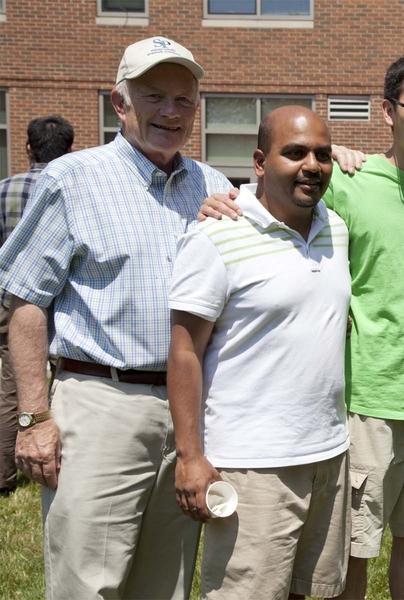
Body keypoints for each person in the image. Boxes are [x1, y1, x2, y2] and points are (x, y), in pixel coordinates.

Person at [200, 51, 404, 600]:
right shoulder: (348, 180)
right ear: (388, 111)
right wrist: (222, 199)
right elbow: (278, 193)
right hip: (371, 399)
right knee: (354, 549)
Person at [0, 37, 232, 598]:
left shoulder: (215, 188)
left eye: (184, 99)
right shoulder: (72, 180)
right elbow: (26, 301)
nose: (171, 112)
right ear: (119, 103)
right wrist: (34, 417)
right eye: (154, 96)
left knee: (166, 583)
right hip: (101, 404)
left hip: (188, 415)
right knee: (88, 582)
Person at [168, 105, 351, 599]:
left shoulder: (336, 228)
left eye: (323, 154)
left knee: (312, 591)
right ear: (259, 161)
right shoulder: (216, 235)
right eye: (294, 152)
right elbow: (184, 351)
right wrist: (189, 456)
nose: (311, 164)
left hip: (329, 452)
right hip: (252, 465)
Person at [0, 115, 73, 497]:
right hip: (64, 301)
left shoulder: (5, 189)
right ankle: (61, 456)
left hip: (10, 300)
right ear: (70, 147)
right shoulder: (72, 187)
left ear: (28, 148)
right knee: (65, 380)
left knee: (13, 384)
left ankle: (5, 476)